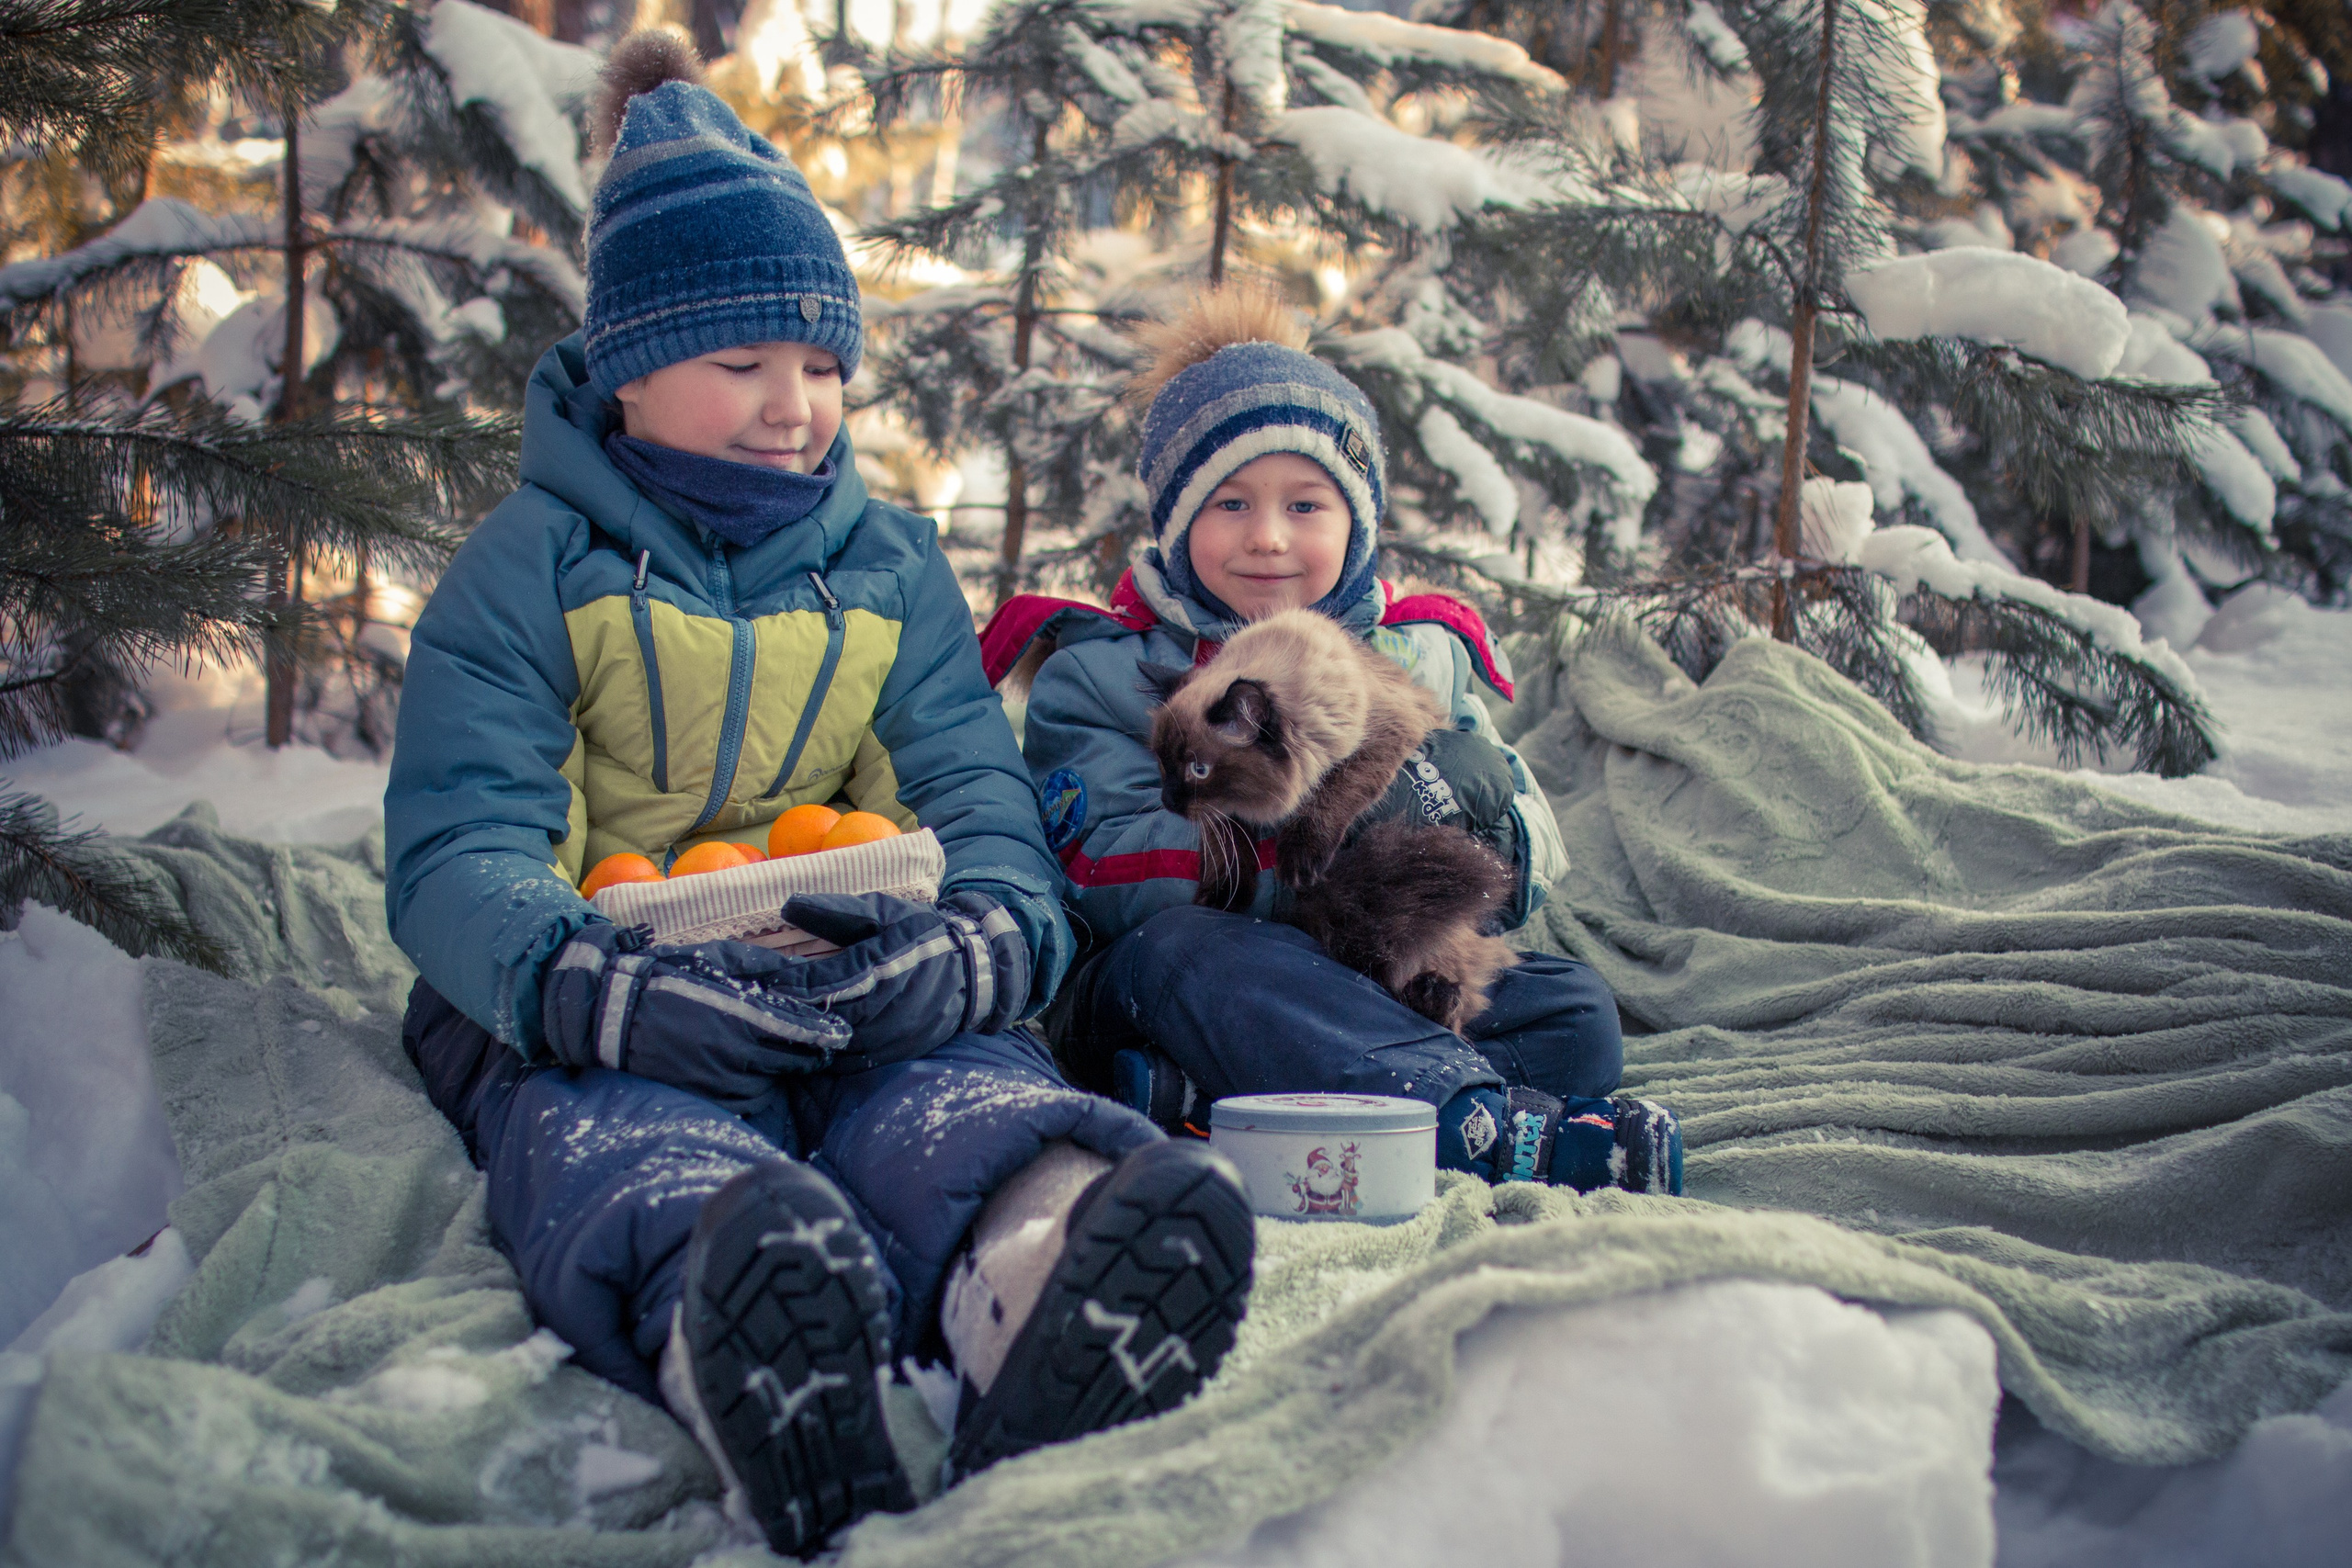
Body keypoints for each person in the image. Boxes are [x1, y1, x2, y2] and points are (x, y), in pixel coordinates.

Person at [382, 34, 1251, 1558]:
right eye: (743, 365)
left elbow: (976, 790)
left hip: (851, 963)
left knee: (959, 1090)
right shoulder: (527, 567)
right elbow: (462, 841)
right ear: (628, 366)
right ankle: (740, 1326)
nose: (795, 406)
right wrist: (583, 982)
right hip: (600, 991)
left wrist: (982, 940)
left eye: (822, 367)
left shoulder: (888, 566)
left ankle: (1040, 1267)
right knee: (618, 1132)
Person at [986, 288, 1683, 1197]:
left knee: (1579, 1016)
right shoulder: (1109, 669)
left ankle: (1209, 1100)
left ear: (1357, 524)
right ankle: (1474, 1127)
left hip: (1372, 967)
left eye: (1306, 505)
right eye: (1229, 502)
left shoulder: (1412, 653)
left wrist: (1477, 822)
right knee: (1190, 953)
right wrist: (1310, 847)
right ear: (1175, 518)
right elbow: (1102, 873)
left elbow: (1523, 848)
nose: (1268, 537)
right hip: (1179, 976)